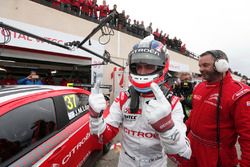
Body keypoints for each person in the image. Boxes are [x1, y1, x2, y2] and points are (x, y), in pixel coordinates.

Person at [88, 36, 191, 167]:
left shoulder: (172, 102)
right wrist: (95, 117)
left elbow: (182, 156)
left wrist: (167, 129)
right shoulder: (124, 97)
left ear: (162, 66)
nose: (142, 72)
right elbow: (103, 138)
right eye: (138, 66)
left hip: (156, 163)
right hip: (126, 162)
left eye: (149, 66)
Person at [181, 50, 250, 167]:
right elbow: (193, 116)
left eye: (205, 65)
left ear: (221, 65)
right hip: (191, 146)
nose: (201, 69)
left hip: (216, 155)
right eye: (200, 66)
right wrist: (181, 133)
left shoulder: (240, 93)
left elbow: (247, 136)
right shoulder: (200, 87)